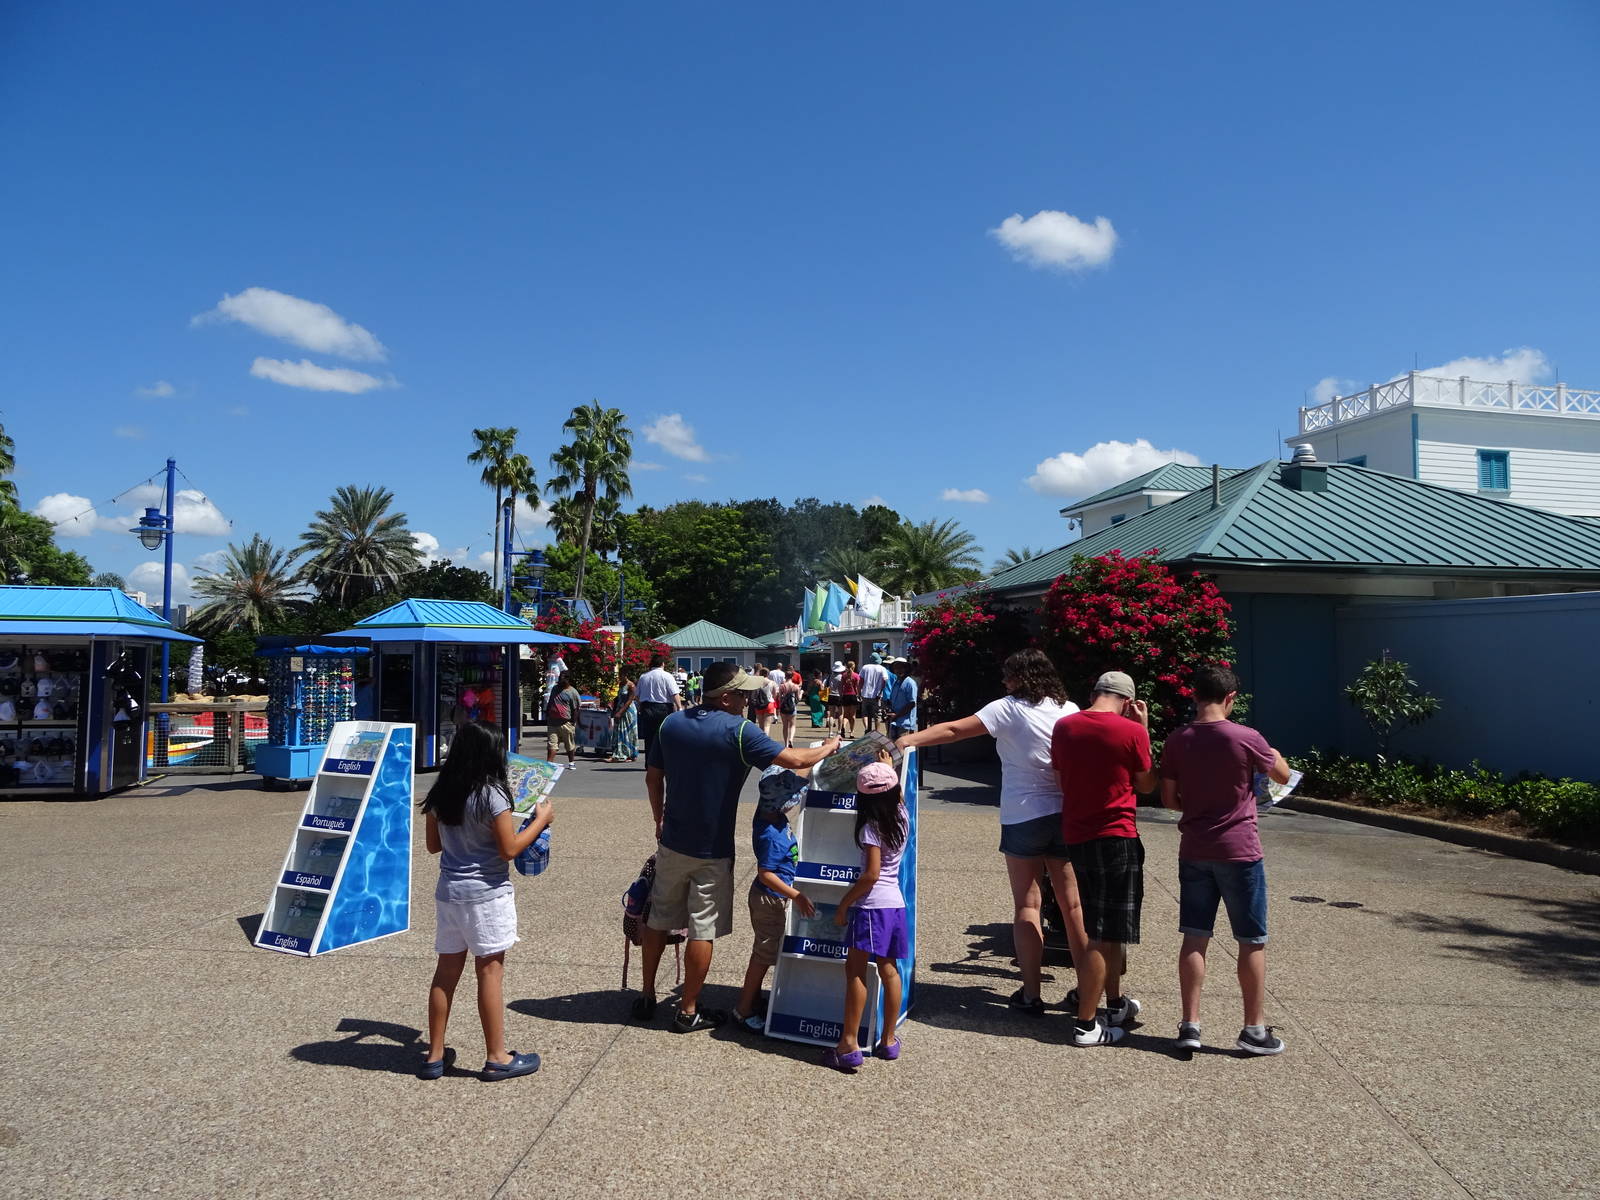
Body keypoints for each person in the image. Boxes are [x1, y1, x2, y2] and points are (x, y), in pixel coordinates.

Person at [635, 662, 840, 1031]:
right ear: (726, 697)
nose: (749, 700)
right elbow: (793, 760)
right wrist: (830, 746)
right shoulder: (739, 730)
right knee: (703, 928)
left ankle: (647, 995)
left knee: (659, 919)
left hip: (671, 841)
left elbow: (653, 777)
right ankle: (688, 1010)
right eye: (743, 694)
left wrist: (657, 818)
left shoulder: (672, 723)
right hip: (711, 848)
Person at [896, 649, 1085, 1012]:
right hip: (1065, 812)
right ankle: (1086, 986)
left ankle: (1030, 994)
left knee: (1028, 904)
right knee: (1072, 905)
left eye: (1008, 675)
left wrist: (910, 740)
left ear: (1020, 678)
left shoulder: (1009, 707)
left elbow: (955, 729)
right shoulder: (1070, 709)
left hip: (1023, 814)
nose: (1004, 681)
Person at [1160, 665, 1292, 1055]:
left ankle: (1190, 1025)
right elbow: (1282, 775)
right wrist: (1276, 755)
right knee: (1251, 941)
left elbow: (1168, 800)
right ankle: (1253, 1030)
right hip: (1240, 850)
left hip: (1195, 848)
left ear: (1195, 695)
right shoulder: (1247, 737)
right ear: (1230, 697)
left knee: (1194, 936)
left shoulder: (1178, 738)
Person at [420, 721, 554, 1081]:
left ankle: (434, 1055)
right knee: (490, 973)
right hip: (487, 894)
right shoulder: (493, 793)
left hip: (449, 893)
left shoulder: (441, 790)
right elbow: (509, 849)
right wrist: (540, 821)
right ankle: (497, 1055)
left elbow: (433, 846)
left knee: (445, 974)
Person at [1050, 670, 1154, 1048]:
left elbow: (1061, 779)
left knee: (1106, 925)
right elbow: (1146, 784)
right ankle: (1086, 1024)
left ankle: (1113, 1002)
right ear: (1127, 702)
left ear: (1094, 692)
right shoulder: (1132, 731)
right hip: (1117, 835)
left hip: (1077, 833)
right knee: (1104, 930)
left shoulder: (1065, 726)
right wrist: (1143, 729)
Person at [822, 760, 908, 1071]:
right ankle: (888, 1040)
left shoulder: (872, 826)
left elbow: (871, 874)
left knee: (856, 971)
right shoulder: (901, 814)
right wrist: (890, 769)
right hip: (895, 904)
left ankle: (848, 1044)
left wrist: (844, 904)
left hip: (871, 907)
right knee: (889, 969)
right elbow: (894, 795)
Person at [733, 767, 815, 1031]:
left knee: (766, 951)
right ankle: (743, 1009)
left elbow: (790, 773)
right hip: (770, 899)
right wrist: (797, 896)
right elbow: (765, 873)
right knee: (764, 954)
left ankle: (753, 999)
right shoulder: (771, 834)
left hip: (774, 898)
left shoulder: (769, 814)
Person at [636, 655, 682, 757]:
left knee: (649, 738)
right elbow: (674, 693)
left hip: (647, 708)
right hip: (663, 708)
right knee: (663, 736)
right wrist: (679, 707)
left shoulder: (643, 676)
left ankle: (649, 763)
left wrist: (640, 706)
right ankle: (662, 763)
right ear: (662, 664)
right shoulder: (667, 676)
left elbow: (637, 695)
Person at [544, 672, 581, 766]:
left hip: (566, 723)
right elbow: (551, 701)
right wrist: (547, 713)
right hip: (553, 722)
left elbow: (576, 709)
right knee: (552, 744)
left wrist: (573, 722)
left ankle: (571, 762)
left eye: (563, 679)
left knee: (569, 745)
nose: (560, 681)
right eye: (559, 679)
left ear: (568, 680)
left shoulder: (573, 692)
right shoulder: (555, 689)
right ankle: (549, 764)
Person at [610, 673, 639, 763]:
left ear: (626, 675)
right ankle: (621, 752)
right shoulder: (621, 684)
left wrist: (620, 712)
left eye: (621, 675)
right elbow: (619, 698)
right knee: (619, 731)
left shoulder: (631, 685)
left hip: (628, 710)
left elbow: (629, 700)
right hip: (620, 707)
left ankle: (628, 754)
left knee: (627, 732)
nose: (620, 677)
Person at [858, 653, 890, 733]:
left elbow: (860, 681)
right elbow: (885, 681)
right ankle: (877, 732)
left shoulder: (865, 667)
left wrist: (859, 692)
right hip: (877, 695)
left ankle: (867, 729)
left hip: (865, 694)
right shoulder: (882, 668)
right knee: (877, 715)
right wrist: (880, 692)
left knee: (865, 713)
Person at [775, 669, 800, 748]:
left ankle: (785, 744)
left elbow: (779, 699)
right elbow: (798, 699)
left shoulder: (782, 686)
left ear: (785, 676)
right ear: (792, 677)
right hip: (792, 708)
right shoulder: (795, 687)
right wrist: (802, 693)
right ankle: (791, 739)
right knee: (792, 725)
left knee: (785, 726)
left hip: (783, 708)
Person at [837, 660, 861, 738]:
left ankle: (843, 726)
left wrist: (841, 695)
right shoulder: (856, 676)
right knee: (853, 715)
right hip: (853, 695)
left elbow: (841, 687)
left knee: (846, 715)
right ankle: (851, 732)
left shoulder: (843, 675)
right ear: (854, 667)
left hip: (845, 695)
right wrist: (859, 695)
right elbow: (857, 687)